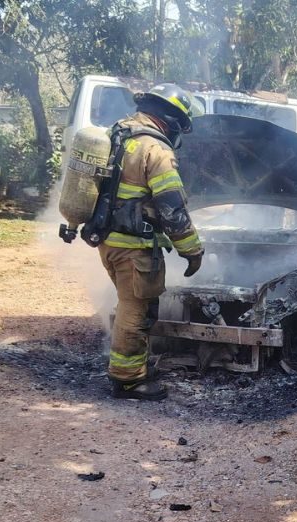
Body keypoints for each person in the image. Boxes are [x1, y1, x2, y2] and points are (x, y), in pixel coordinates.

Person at [100, 84, 204, 401]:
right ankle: (128, 380)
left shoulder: (117, 137)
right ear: (171, 120)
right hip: (134, 247)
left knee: (133, 305)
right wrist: (192, 250)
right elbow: (172, 210)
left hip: (109, 240)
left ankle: (135, 368)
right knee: (136, 310)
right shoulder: (155, 151)